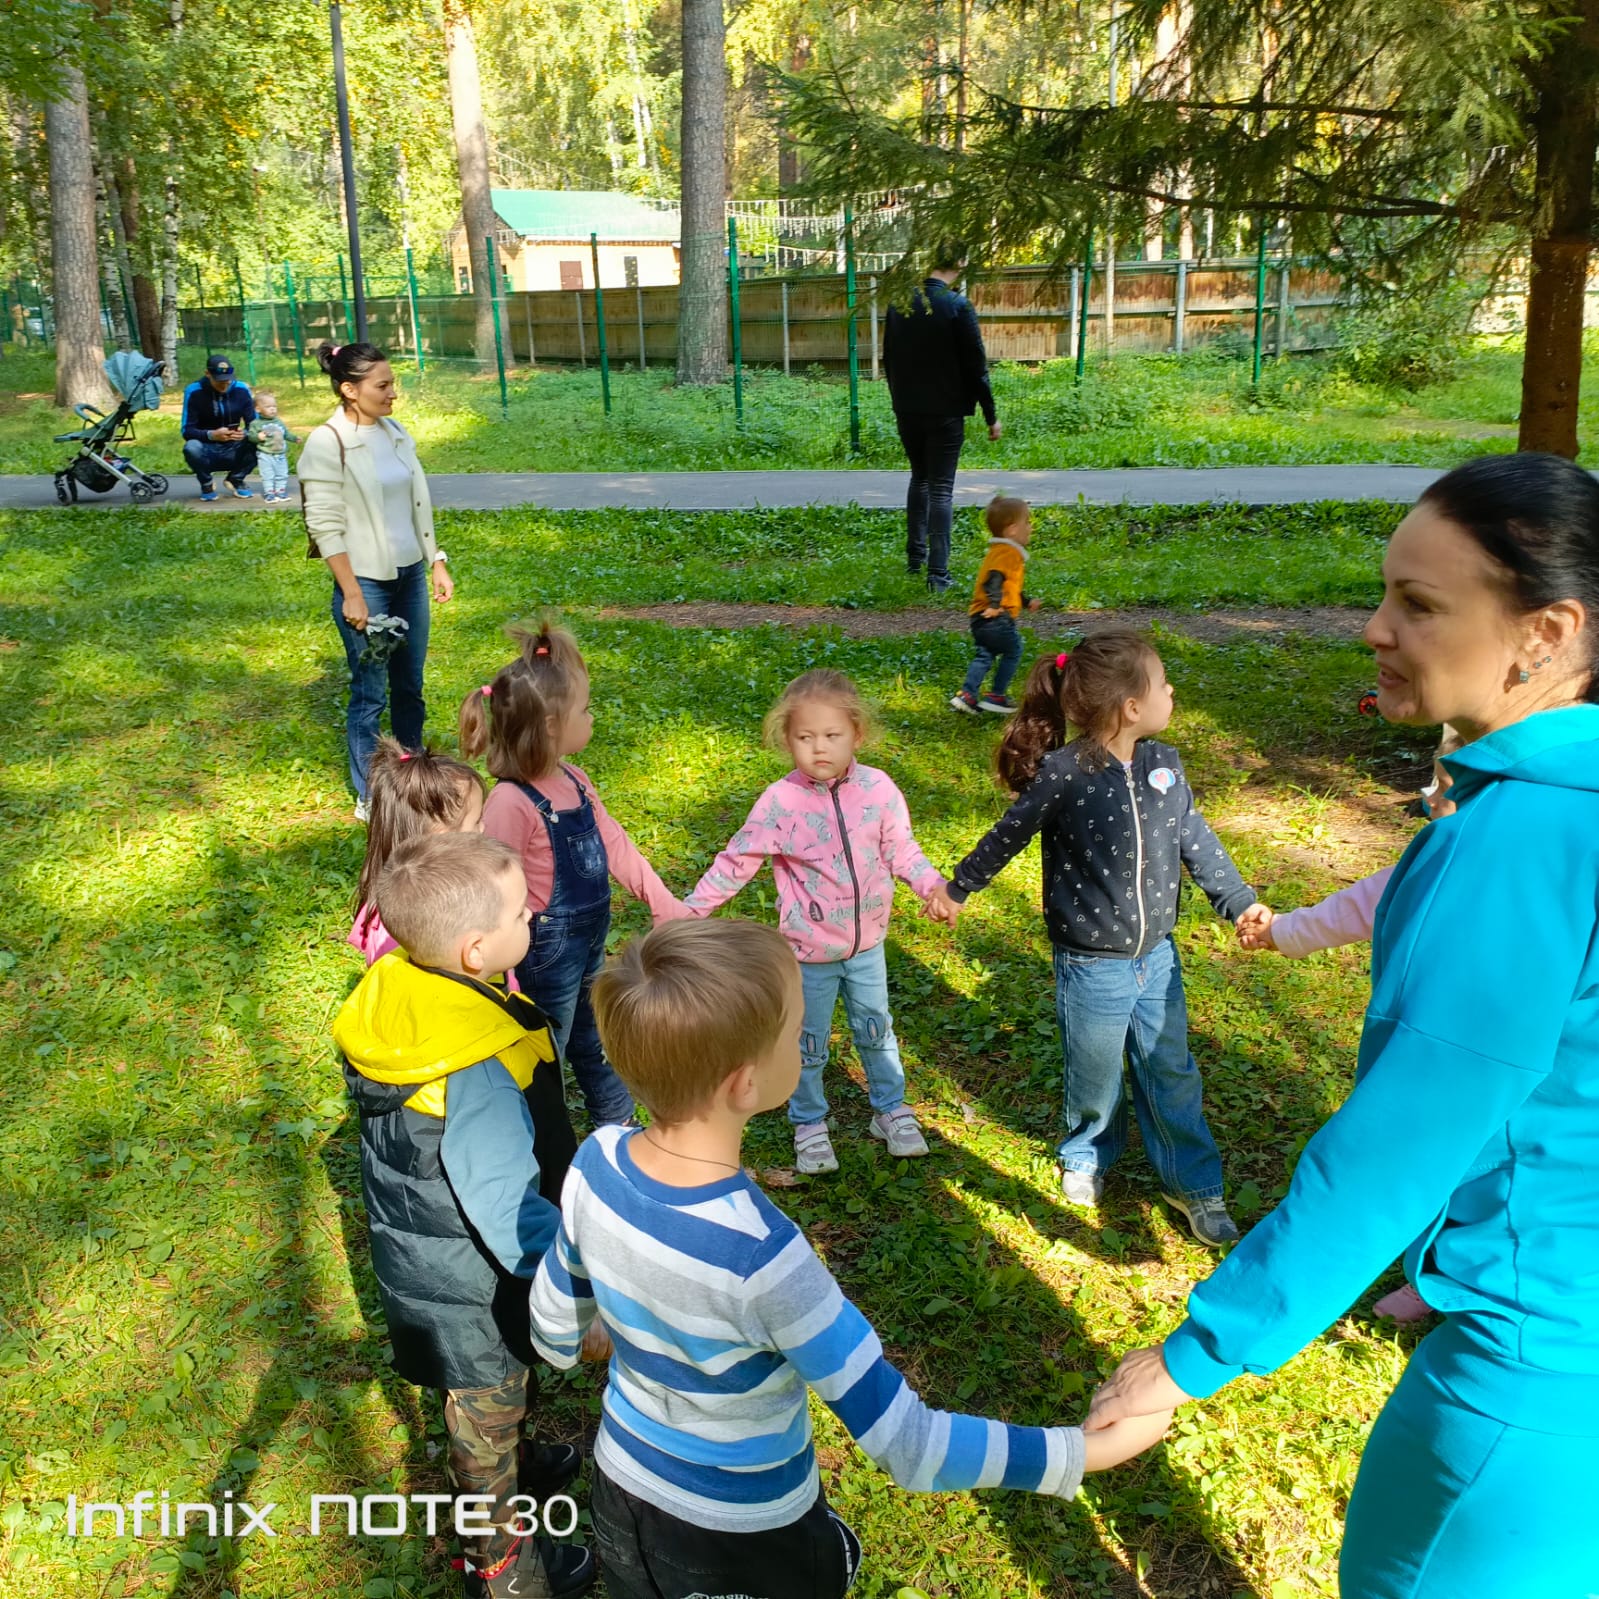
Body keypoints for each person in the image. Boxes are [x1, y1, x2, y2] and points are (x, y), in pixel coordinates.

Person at [1087, 453, 1599, 1599]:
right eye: (1385, 593)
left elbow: (1401, 1148)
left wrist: (1192, 1356)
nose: (1375, 628)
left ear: (1548, 633)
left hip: (1532, 1384)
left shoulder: (1520, 843)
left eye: (1419, 604)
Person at [527, 919, 1174, 1599]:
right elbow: (910, 1444)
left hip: (620, 1492)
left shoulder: (593, 1161)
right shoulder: (766, 1259)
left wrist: (628, 1323)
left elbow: (553, 1332)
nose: (809, 1041)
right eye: (797, 1030)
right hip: (742, 1535)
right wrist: (1083, 1450)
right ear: (745, 1084)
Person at [930, 629, 1265, 1248]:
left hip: (1158, 958)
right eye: (1163, 683)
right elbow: (1010, 832)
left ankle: (1192, 1183)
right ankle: (1086, 1153)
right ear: (1131, 706)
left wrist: (1238, 902)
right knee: (1095, 1071)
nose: (1171, 690)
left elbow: (1197, 837)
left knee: (1172, 1071)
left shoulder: (1165, 765)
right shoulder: (1065, 773)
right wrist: (958, 887)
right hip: (1091, 964)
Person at [332, 831, 594, 1599]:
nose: (534, 914)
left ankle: (528, 1452)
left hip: (432, 1259)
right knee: (483, 1419)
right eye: (521, 910)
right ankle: (504, 1567)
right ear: (478, 948)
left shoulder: (405, 993)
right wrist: (565, 1273)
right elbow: (505, 1202)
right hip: (474, 1285)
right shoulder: (476, 1063)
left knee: (509, 1385)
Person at [682, 669, 949, 1174]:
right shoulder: (781, 803)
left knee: (876, 1030)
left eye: (832, 736)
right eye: (805, 737)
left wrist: (931, 886)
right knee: (807, 1042)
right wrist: (688, 912)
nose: (819, 748)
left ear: (857, 735)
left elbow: (902, 849)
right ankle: (809, 1122)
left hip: (867, 947)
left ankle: (890, 1109)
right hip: (808, 955)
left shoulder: (878, 790)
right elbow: (737, 860)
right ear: (788, 740)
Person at [463, 620, 687, 1129]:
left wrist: (660, 899)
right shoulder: (510, 802)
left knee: (597, 1036)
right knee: (547, 1051)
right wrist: (503, 962)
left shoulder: (575, 780)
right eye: (584, 710)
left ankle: (619, 1129)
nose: (592, 717)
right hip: (544, 954)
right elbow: (492, 884)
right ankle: (540, 1142)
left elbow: (615, 843)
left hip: (587, 942)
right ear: (550, 726)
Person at [299, 341, 453, 821]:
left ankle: (412, 780)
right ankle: (372, 794)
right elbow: (324, 525)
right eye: (382, 385)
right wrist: (352, 593)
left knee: (410, 685)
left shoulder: (395, 432)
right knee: (370, 693)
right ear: (349, 389)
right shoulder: (328, 442)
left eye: (392, 384)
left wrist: (436, 560)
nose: (393, 394)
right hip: (366, 582)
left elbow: (416, 504)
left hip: (409, 577)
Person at [882, 241, 1001, 592]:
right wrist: (990, 416)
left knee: (919, 478)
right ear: (960, 263)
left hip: (907, 408)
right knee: (941, 489)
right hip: (947, 412)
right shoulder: (957, 306)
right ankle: (939, 574)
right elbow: (976, 367)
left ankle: (915, 559)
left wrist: (900, 399)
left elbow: (889, 359)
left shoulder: (899, 305)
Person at [348, 736, 487, 967]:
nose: (483, 829)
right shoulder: (405, 929)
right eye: (476, 822)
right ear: (441, 839)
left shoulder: (437, 893)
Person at [950, 493, 1043, 715]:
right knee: (1014, 650)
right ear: (1011, 530)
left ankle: (967, 695)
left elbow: (1009, 586)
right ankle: (997, 696)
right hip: (996, 617)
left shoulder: (999, 552)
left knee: (986, 654)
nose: (1030, 527)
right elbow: (995, 579)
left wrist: (1026, 601)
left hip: (979, 618)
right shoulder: (1008, 552)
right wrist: (994, 604)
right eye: (1027, 522)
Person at [179, 353, 257, 500]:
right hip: (207, 448)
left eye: (228, 380)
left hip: (234, 446)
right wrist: (212, 434)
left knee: (262, 440)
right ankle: (206, 482)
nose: (224, 384)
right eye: (219, 380)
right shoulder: (194, 391)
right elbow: (187, 431)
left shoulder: (241, 389)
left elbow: (255, 424)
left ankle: (236, 479)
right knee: (191, 447)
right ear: (207, 374)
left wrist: (245, 433)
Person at [245, 390, 298, 504]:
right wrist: (257, 437)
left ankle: (280, 492)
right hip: (265, 454)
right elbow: (250, 436)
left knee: (282, 474)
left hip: (280, 454)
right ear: (258, 409)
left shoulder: (278, 421)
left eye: (274, 406)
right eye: (268, 407)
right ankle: (269, 493)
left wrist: (294, 438)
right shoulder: (256, 423)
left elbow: (286, 434)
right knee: (268, 475)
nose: (273, 409)